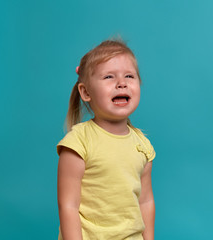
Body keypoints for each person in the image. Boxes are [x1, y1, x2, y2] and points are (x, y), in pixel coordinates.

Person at [57, 40, 156, 240]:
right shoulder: (78, 142)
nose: (122, 83)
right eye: (109, 77)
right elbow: (68, 205)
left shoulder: (142, 145)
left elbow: (145, 202)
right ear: (85, 92)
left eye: (129, 76)